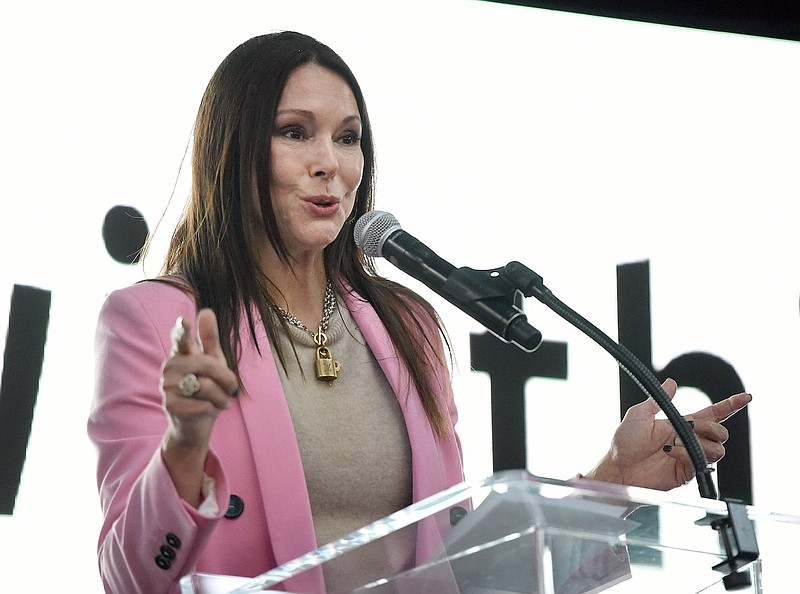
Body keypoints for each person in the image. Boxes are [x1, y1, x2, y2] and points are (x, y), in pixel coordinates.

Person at [87, 31, 752, 594]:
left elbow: (464, 573)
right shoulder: (151, 320)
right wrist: (183, 448)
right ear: (233, 151)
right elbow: (131, 576)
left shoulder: (406, 325)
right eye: (296, 133)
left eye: (348, 139)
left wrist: (614, 482)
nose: (331, 164)